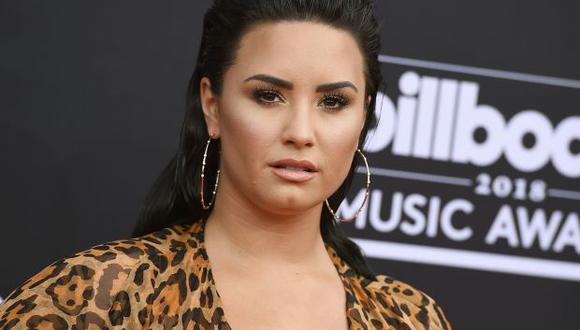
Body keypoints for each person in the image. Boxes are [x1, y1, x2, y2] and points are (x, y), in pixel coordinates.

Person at [0, 0, 453, 329]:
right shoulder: (110, 293)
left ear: (364, 116)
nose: (301, 130)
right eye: (268, 96)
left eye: (333, 102)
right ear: (212, 106)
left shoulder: (408, 318)